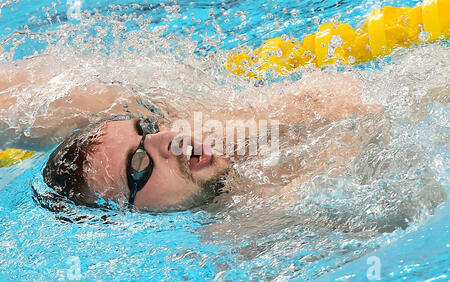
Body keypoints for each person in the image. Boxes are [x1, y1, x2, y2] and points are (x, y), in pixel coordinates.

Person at [0, 56, 384, 212]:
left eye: (146, 128)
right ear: (129, 215)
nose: (165, 139)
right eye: (138, 162)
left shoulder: (229, 124)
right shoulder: (250, 245)